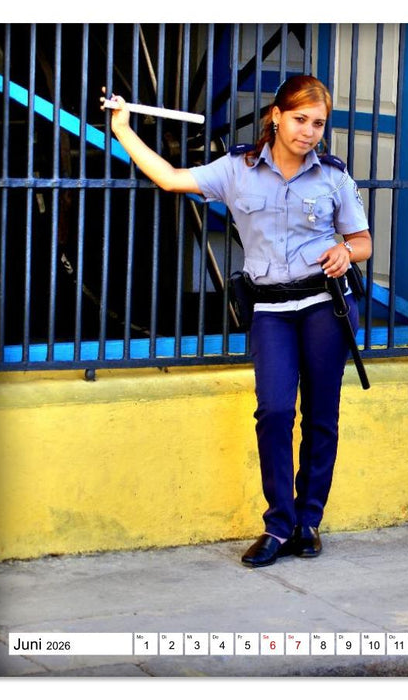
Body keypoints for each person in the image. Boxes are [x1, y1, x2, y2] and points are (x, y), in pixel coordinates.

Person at [102, 75, 372, 568]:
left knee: (320, 417)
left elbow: (363, 241)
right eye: (299, 119)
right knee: (272, 411)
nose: (309, 131)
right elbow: (169, 177)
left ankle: (308, 523)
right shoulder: (237, 170)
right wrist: (122, 128)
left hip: (324, 308)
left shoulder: (333, 176)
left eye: (318, 123)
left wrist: (344, 250)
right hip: (270, 308)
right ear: (276, 115)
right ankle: (278, 524)